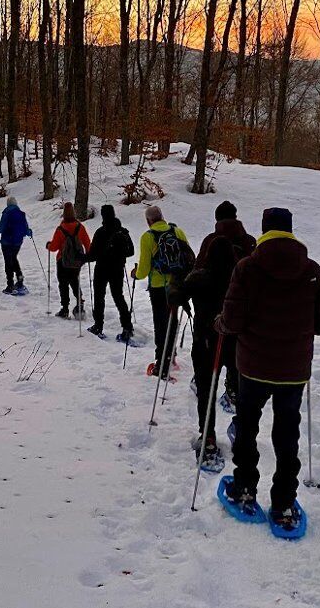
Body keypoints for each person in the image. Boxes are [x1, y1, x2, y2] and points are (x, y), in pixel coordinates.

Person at [216, 207, 320, 533]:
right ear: (290, 230)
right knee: (287, 434)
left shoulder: (247, 268)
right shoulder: (311, 270)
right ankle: (283, 502)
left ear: (264, 230)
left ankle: (244, 488)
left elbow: (233, 320)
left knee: (247, 427)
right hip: (293, 370)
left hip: (253, 367)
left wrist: (221, 323)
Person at [183, 200, 256, 467]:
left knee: (206, 386)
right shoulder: (249, 243)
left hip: (207, 333)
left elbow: (192, 277)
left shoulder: (210, 243)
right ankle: (241, 427)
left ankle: (209, 436)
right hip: (240, 333)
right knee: (243, 385)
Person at [133, 205, 192, 378]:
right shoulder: (177, 231)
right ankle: (171, 356)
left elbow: (143, 270)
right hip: (177, 284)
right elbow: (188, 256)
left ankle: (161, 363)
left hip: (158, 287)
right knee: (172, 321)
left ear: (148, 221)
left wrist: (135, 274)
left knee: (160, 323)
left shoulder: (148, 237)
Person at [83, 204, 135, 339]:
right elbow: (131, 251)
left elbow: (92, 255)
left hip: (101, 269)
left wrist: (83, 258)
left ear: (103, 215)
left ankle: (98, 326)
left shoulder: (100, 232)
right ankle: (127, 327)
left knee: (99, 297)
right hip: (117, 269)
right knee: (118, 297)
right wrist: (118, 255)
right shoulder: (123, 232)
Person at [46, 202, 90, 318]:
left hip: (62, 261)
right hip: (77, 261)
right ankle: (80, 304)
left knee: (63, 284)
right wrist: (88, 255)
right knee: (75, 281)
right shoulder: (80, 227)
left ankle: (65, 309)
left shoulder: (60, 229)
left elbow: (54, 247)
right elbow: (87, 243)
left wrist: (49, 245)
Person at [0, 196, 32, 294]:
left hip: (7, 242)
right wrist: (30, 233)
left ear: (8, 204)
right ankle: (20, 281)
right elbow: (26, 229)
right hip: (17, 242)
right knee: (14, 259)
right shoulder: (21, 214)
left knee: (8, 262)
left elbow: (1, 229)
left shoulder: (6, 213)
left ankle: (10, 285)